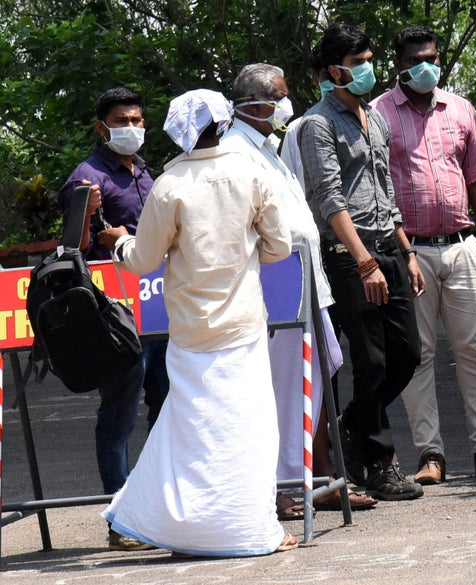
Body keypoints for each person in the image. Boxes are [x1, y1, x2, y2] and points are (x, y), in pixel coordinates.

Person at [98, 89, 296, 556]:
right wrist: (247, 258)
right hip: (244, 326)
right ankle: (249, 529)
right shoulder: (250, 173)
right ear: (225, 122)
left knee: (192, 433)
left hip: (189, 331)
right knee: (248, 432)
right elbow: (280, 247)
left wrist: (118, 243)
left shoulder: (169, 187)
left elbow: (143, 258)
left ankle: (179, 528)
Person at [222, 63, 377, 515]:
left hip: (306, 283)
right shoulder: (235, 151)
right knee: (285, 389)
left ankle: (316, 478)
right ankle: (283, 486)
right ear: (258, 103)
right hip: (277, 288)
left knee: (317, 379)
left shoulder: (267, 145)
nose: (288, 103)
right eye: (282, 95)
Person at [372, 25, 476, 485]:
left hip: (461, 246)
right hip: (408, 250)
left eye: (432, 58)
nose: (426, 67)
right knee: (418, 354)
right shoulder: (378, 114)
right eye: (416, 60)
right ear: (397, 65)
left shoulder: (461, 110)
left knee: (475, 348)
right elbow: (375, 187)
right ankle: (430, 454)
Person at [298, 23, 425, 501]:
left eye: (369, 60)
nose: (368, 69)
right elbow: (329, 199)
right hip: (350, 257)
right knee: (369, 360)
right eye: (358, 63)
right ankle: (378, 463)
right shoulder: (317, 124)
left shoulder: (374, 117)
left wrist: (406, 251)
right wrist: (365, 262)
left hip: (389, 250)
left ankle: (351, 424)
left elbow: (386, 192)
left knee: (407, 353)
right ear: (334, 70)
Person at [57, 87, 169, 550]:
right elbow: (73, 248)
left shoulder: (147, 171)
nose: (134, 128)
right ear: (102, 127)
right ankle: (121, 519)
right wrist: (89, 219)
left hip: (162, 308)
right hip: (116, 317)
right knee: (120, 413)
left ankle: (162, 510)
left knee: (167, 410)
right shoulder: (85, 177)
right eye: (124, 121)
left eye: (139, 120)